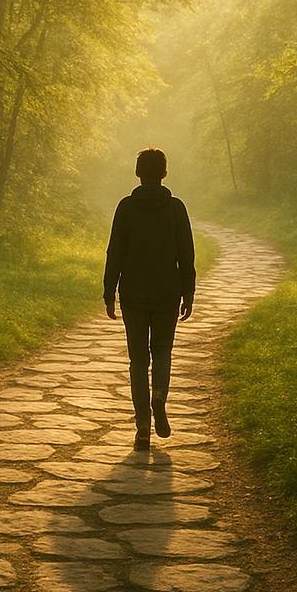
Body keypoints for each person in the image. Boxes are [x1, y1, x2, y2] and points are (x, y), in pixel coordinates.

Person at [103, 148, 195, 449]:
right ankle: (159, 396)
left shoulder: (126, 208)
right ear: (165, 174)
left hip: (133, 294)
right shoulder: (176, 208)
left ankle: (142, 426)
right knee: (163, 352)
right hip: (168, 293)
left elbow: (115, 250)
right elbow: (186, 254)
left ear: (137, 173)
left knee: (138, 359)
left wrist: (109, 290)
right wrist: (188, 291)